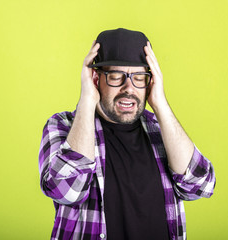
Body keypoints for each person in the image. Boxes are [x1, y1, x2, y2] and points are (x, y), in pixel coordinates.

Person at [38, 28, 216, 240]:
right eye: (116, 76)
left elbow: (199, 186)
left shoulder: (161, 130)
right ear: (96, 79)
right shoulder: (63, 126)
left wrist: (160, 104)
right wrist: (87, 99)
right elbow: (66, 191)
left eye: (139, 77)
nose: (128, 88)